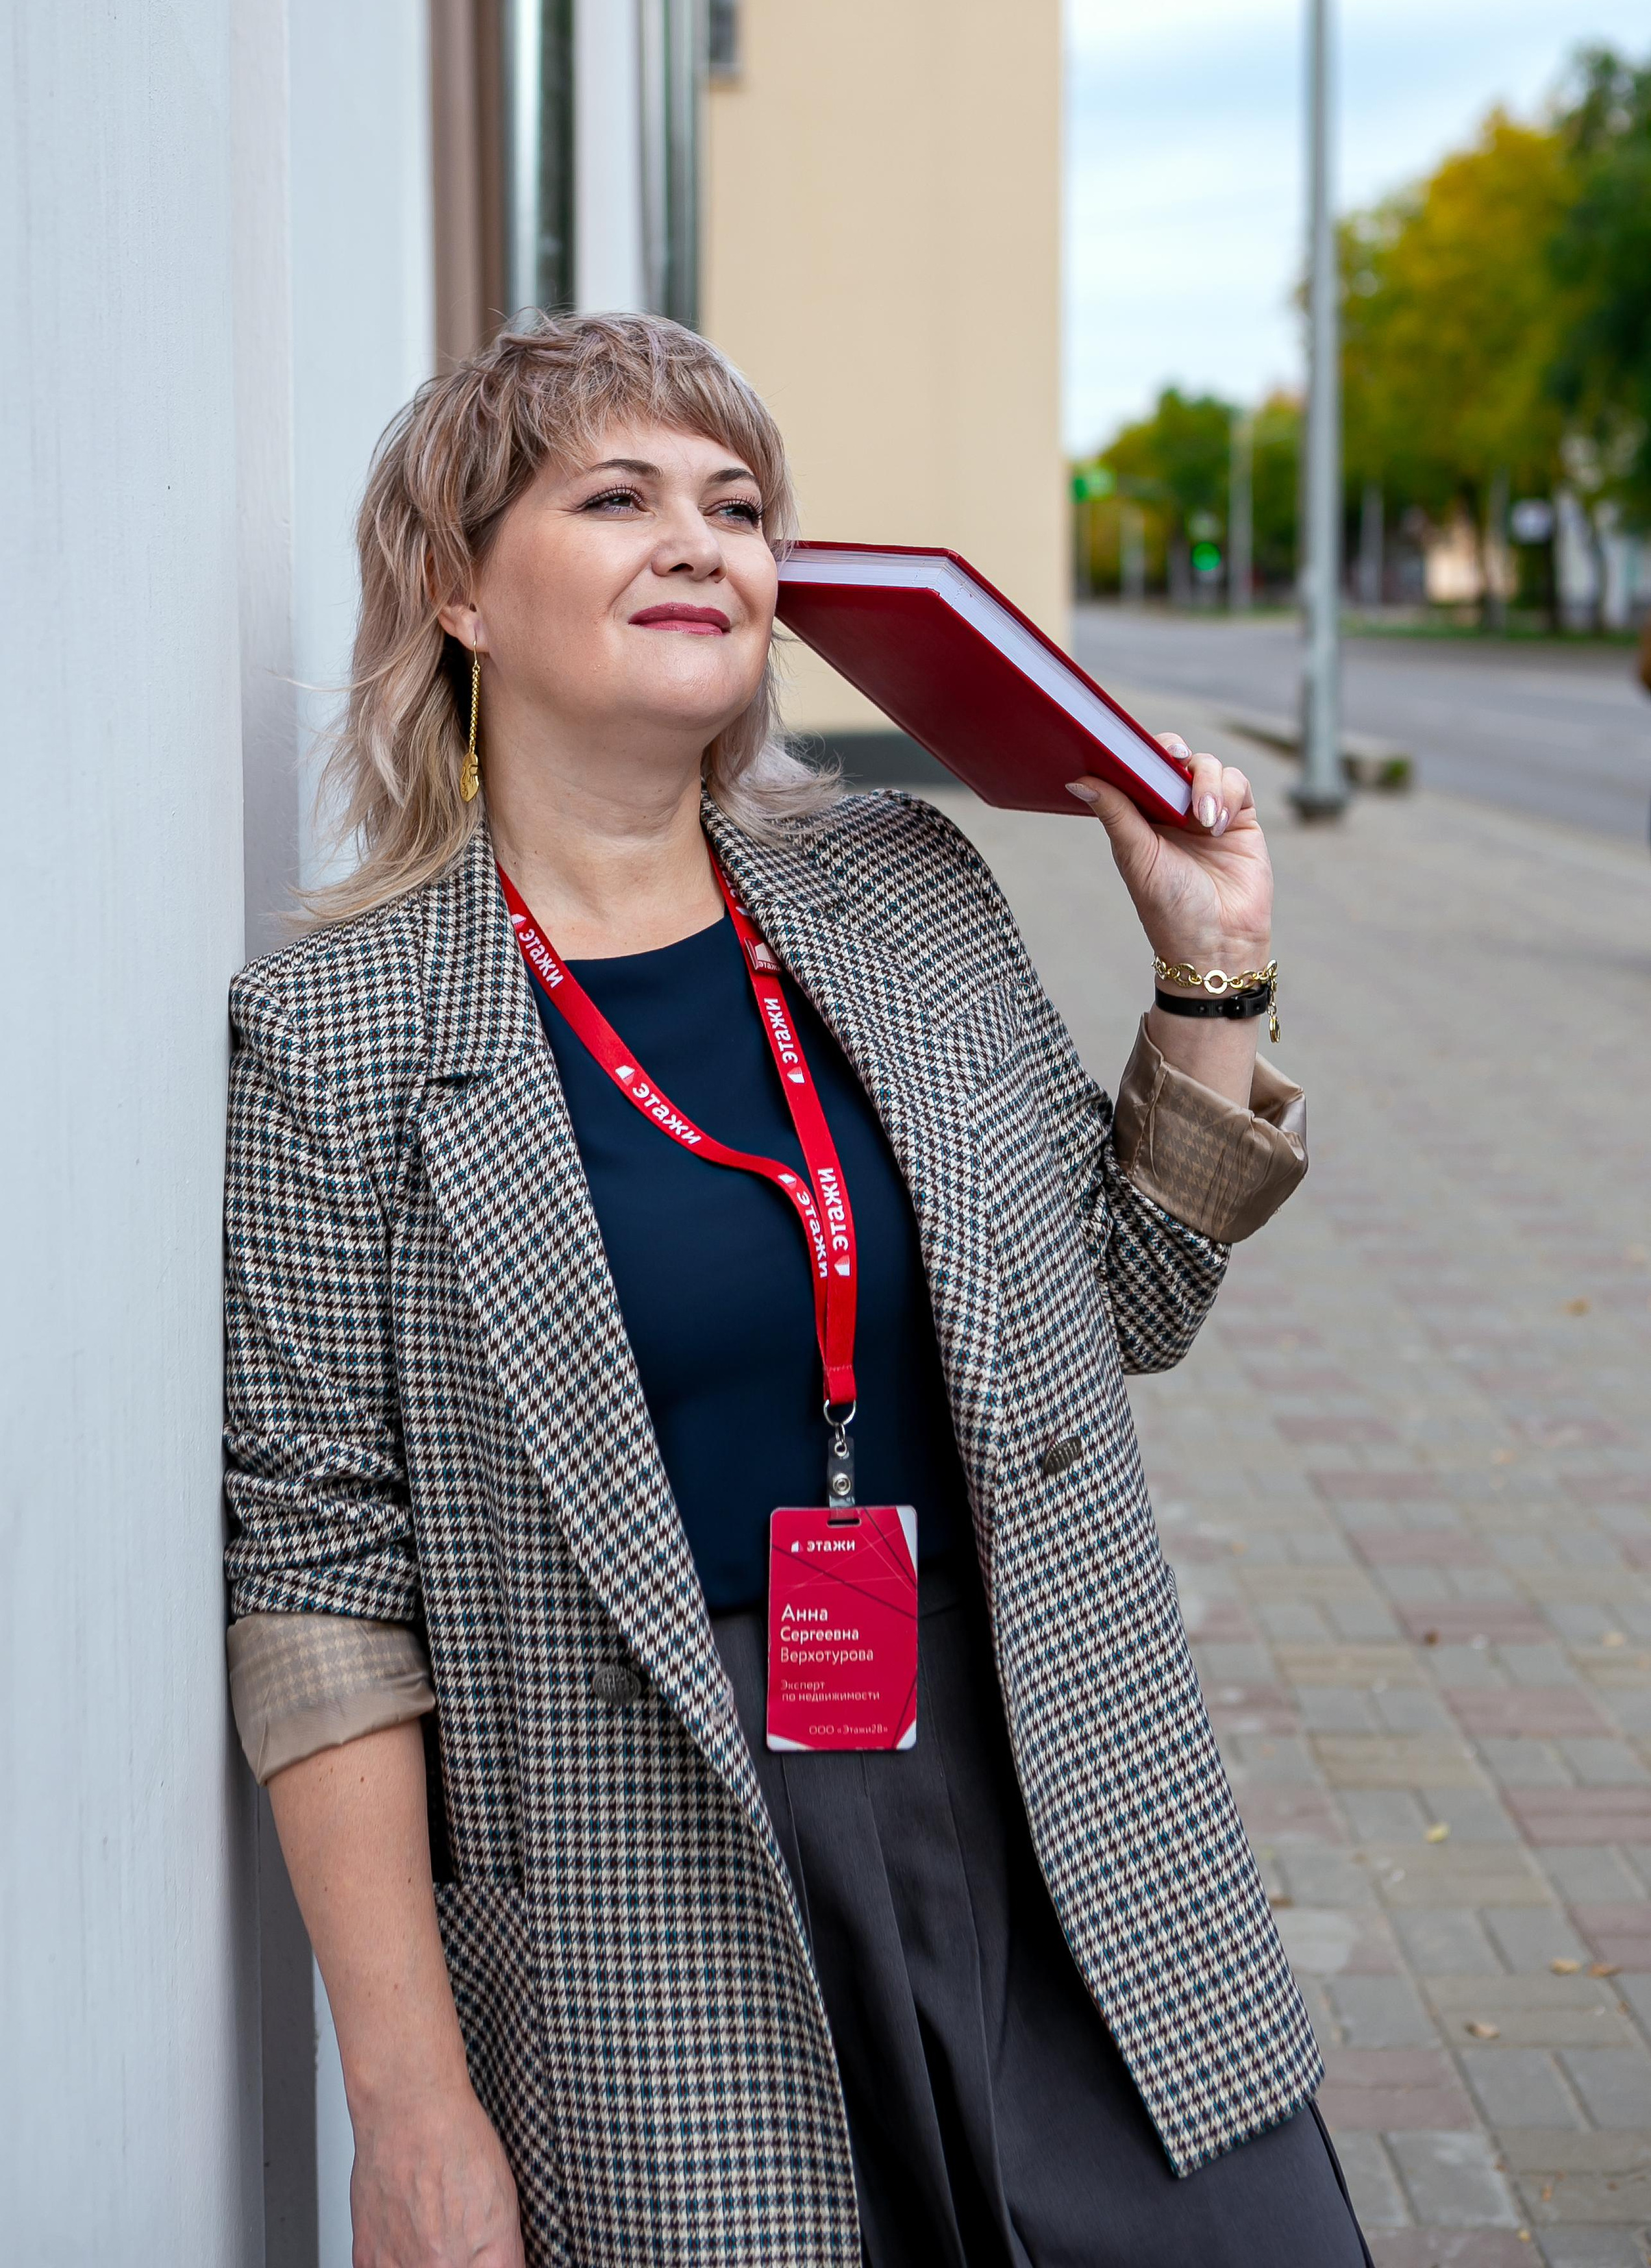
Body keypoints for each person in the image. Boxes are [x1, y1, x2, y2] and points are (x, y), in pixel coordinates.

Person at [223, 312, 1367, 2268]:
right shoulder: (338, 1032)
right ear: (457, 593)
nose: (702, 540)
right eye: (618, 498)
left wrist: (1210, 979)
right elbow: (322, 1589)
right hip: (648, 1871)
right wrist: (409, 2107)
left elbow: (1126, 1303)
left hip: (1046, 1775)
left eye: (738, 506)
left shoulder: (907, 891)